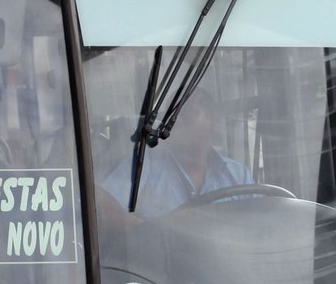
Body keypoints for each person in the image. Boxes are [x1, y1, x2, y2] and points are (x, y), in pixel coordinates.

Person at [100, 85, 250, 218]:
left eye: (188, 114)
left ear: (212, 120)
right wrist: (153, 232)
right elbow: (105, 207)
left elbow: (259, 222)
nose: (176, 123)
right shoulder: (145, 163)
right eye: (170, 117)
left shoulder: (238, 176)